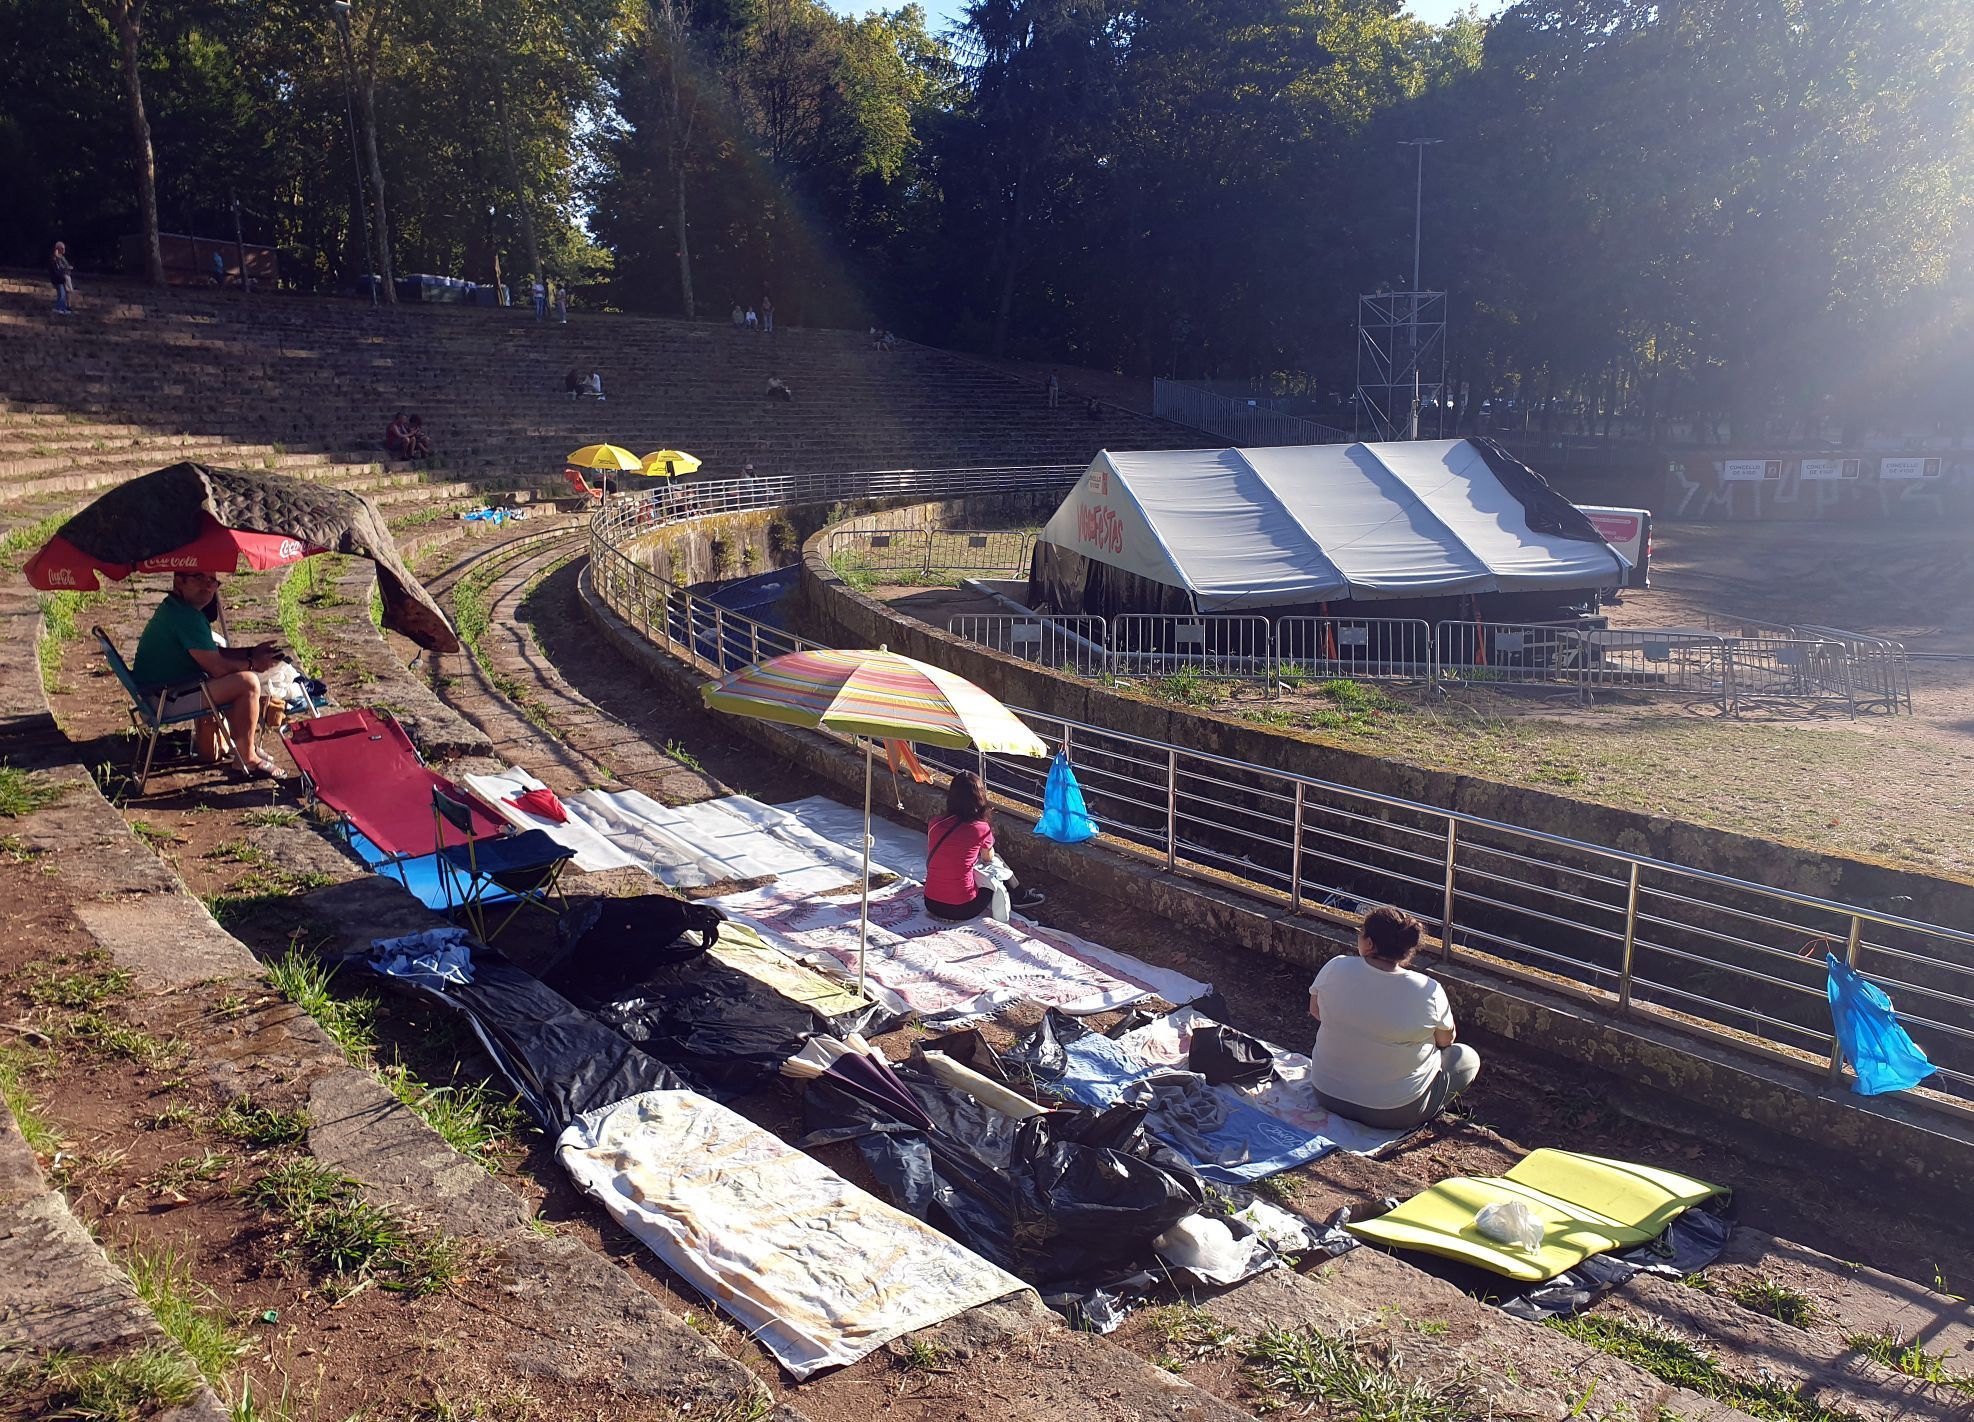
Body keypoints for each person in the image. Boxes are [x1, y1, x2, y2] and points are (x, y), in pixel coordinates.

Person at [1306, 906, 1480, 1130]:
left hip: (1326, 1093)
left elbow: (1316, 1011)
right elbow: (1446, 1041)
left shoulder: (1335, 966)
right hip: (1394, 1112)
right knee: (1466, 1057)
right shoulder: (1428, 989)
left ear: (1369, 944)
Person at [132, 571, 284, 779]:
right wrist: (252, 664)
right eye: (198, 578)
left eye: (212, 581)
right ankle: (247, 758)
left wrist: (250, 652)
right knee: (247, 683)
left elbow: (212, 652)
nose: (207, 586)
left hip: (159, 693)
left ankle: (241, 746)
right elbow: (218, 668)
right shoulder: (185, 616)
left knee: (237, 679)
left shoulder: (177, 608)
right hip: (162, 701)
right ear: (179, 581)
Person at [924, 771, 1045, 921]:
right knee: (996, 862)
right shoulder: (980, 828)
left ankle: (1020, 895)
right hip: (962, 909)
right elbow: (988, 858)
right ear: (979, 797)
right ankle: (1020, 896)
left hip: (930, 902)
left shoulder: (935, 823)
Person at [49, 241, 73, 316]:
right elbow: (57, 268)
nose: (63, 250)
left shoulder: (59, 257)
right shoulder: (56, 258)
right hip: (58, 278)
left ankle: (61, 308)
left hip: (60, 278)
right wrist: (66, 268)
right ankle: (59, 308)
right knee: (62, 295)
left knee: (62, 294)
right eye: (62, 248)